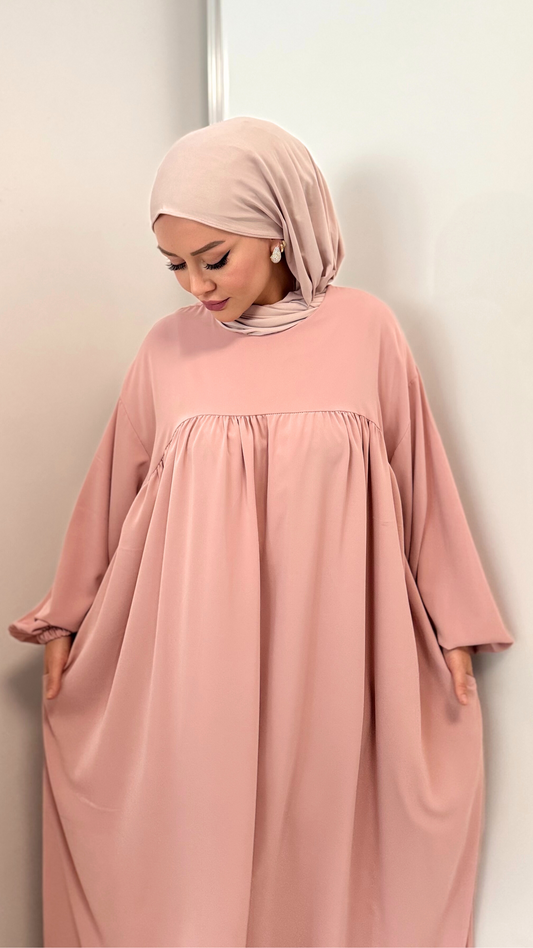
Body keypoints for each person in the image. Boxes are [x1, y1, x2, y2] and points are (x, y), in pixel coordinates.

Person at [8, 116, 514, 948]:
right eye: (174, 264)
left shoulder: (368, 330)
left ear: (278, 229)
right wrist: (64, 614)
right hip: (197, 650)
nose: (195, 284)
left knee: (321, 826)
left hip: (331, 644)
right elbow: (110, 493)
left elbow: (419, 477)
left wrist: (455, 623)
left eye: (214, 258)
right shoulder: (165, 350)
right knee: (200, 828)